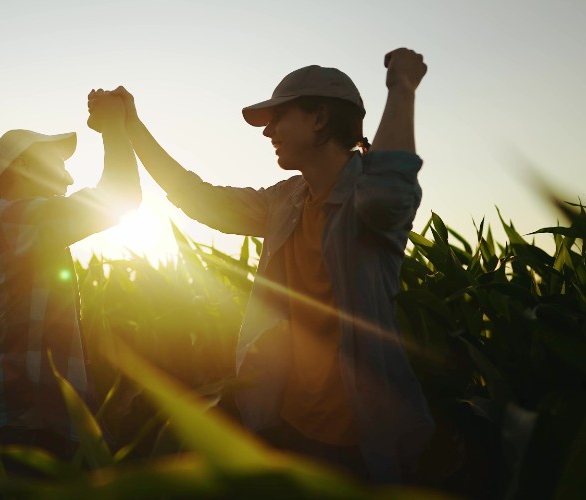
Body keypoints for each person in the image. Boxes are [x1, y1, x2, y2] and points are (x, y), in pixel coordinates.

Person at [106, 48, 434, 482]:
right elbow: (201, 199)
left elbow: (389, 186)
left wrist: (402, 86)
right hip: (285, 423)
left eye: (279, 118)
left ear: (319, 118)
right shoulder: (286, 201)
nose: (269, 132)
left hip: (362, 439)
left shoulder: (368, 202)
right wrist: (132, 128)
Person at [0, 89, 140, 466]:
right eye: (57, 163)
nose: (70, 177)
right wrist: (113, 127)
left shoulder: (15, 224)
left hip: (17, 411)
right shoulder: (16, 219)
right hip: (18, 413)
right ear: (25, 167)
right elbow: (121, 196)